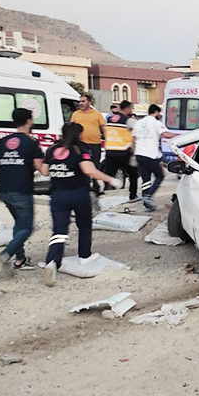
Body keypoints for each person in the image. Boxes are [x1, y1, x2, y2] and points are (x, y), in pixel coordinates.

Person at [40, 123, 121, 287]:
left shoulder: (52, 149)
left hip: (57, 195)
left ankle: (52, 262)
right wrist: (110, 179)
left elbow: (44, 171)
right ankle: (84, 256)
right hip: (79, 193)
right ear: (79, 134)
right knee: (84, 225)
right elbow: (89, 170)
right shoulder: (79, 148)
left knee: (59, 231)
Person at [0, 108, 44, 270]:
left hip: (4, 190)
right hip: (22, 189)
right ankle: (7, 254)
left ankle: (20, 259)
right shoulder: (31, 142)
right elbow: (40, 167)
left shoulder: (2, 141)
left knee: (19, 224)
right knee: (27, 228)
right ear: (29, 121)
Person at [132, 104, 177, 212]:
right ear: (156, 112)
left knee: (145, 179)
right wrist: (178, 135)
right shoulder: (156, 123)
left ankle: (147, 203)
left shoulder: (138, 123)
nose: (159, 115)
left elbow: (133, 139)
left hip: (139, 154)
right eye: (159, 113)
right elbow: (165, 134)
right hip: (151, 154)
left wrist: (134, 153)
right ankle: (148, 197)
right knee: (160, 176)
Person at [70, 94, 106, 197]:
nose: (80, 103)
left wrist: (107, 140)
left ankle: (96, 188)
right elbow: (72, 128)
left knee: (95, 165)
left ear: (89, 102)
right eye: (80, 101)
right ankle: (83, 187)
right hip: (80, 145)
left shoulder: (97, 114)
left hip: (95, 144)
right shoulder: (76, 114)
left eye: (83, 101)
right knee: (81, 166)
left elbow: (103, 128)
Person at [103, 100, 139, 201]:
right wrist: (133, 153)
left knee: (108, 175)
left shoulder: (109, 119)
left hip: (110, 150)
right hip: (124, 151)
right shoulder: (129, 121)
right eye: (131, 108)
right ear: (127, 108)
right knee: (133, 175)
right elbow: (134, 138)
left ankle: (101, 194)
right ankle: (133, 196)